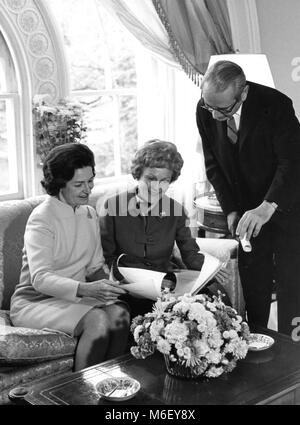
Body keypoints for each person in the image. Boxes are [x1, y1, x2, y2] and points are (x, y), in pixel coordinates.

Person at [196, 60, 300, 336]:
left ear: (243, 93)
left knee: (292, 285)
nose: (215, 116)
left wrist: (268, 206)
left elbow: (292, 162)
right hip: (245, 212)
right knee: (255, 286)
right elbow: (213, 165)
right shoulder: (206, 108)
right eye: (210, 107)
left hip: (288, 206)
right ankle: (256, 345)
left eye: (223, 109)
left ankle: (293, 358)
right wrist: (231, 209)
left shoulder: (275, 105)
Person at [10, 143, 129, 371]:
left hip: (72, 298)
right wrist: (86, 289)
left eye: (91, 181)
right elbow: (40, 279)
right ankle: (80, 394)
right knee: (97, 320)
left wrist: (112, 285)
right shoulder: (42, 218)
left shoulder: (89, 213)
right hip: (34, 302)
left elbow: (95, 266)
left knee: (120, 313)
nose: (88, 189)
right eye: (79, 184)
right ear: (59, 184)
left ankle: (109, 382)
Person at [100, 139, 230, 318]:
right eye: (150, 178)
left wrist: (210, 268)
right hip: (127, 287)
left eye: (164, 180)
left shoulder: (176, 209)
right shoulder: (113, 205)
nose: (157, 187)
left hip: (165, 285)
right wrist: (125, 281)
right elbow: (107, 257)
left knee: (215, 296)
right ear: (138, 175)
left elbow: (190, 253)